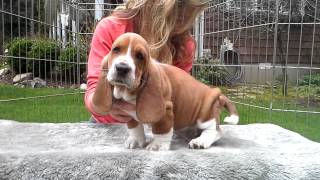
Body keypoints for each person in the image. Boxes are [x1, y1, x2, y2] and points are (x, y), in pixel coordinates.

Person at [85, 0, 207, 124]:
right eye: (181, 8)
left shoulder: (183, 45)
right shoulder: (110, 27)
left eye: (192, 13)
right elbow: (94, 88)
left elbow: (178, 97)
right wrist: (106, 107)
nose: (185, 20)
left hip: (153, 128)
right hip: (107, 125)